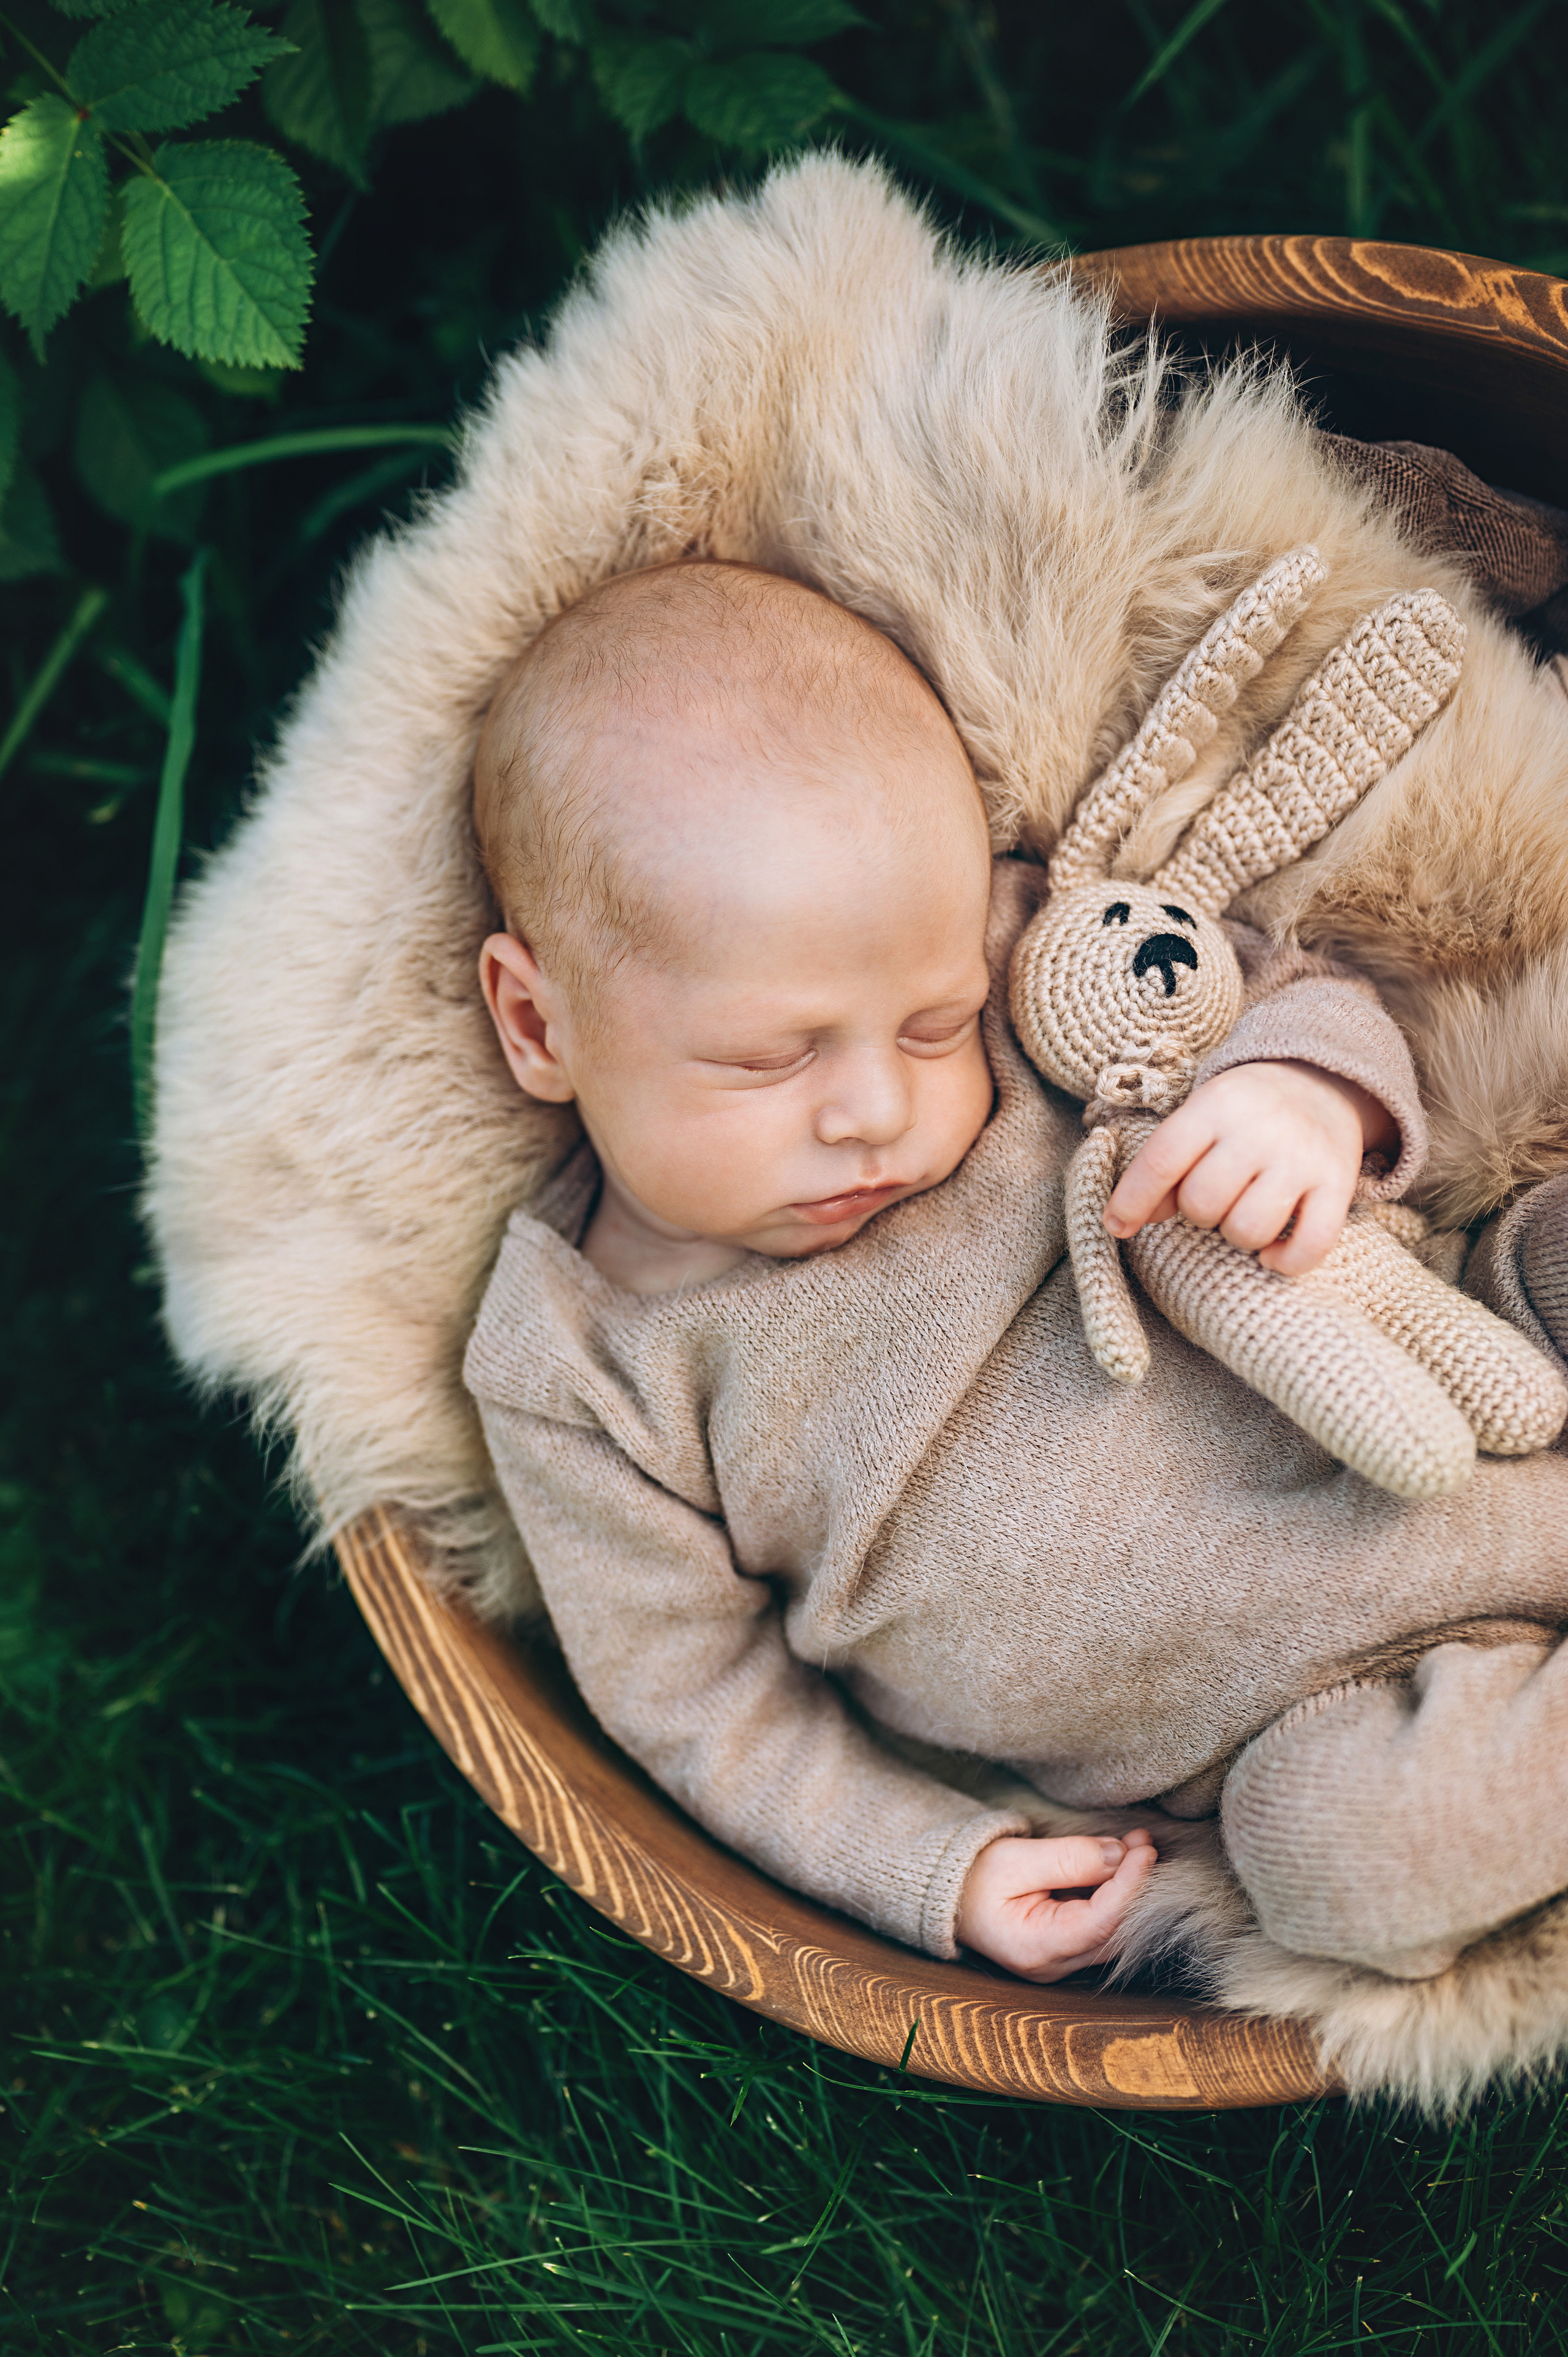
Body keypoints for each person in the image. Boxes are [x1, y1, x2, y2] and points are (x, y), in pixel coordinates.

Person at [464, 557, 1568, 1988]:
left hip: (1476, 1339)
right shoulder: (575, 1369)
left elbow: (1265, 980)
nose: (877, 1106)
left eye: (929, 1026)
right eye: (771, 1055)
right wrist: (932, 1864)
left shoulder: (1014, 954)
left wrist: (1299, 1098)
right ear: (535, 1021)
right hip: (1323, 1718)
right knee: (1347, 1875)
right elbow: (695, 1705)